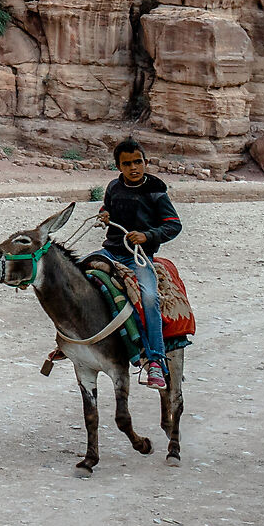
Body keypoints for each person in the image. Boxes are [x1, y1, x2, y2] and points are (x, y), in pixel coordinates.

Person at [92, 137, 181, 389]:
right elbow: (108, 208)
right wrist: (104, 214)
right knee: (76, 274)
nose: (133, 168)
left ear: (145, 162)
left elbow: (174, 225)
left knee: (150, 297)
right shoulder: (113, 187)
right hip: (111, 251)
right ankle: (73, 340)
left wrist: (148, 236)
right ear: (118, 166)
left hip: (138, 256)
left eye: (138, 162)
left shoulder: (156, 191)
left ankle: (155, 359)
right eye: (127, 163)